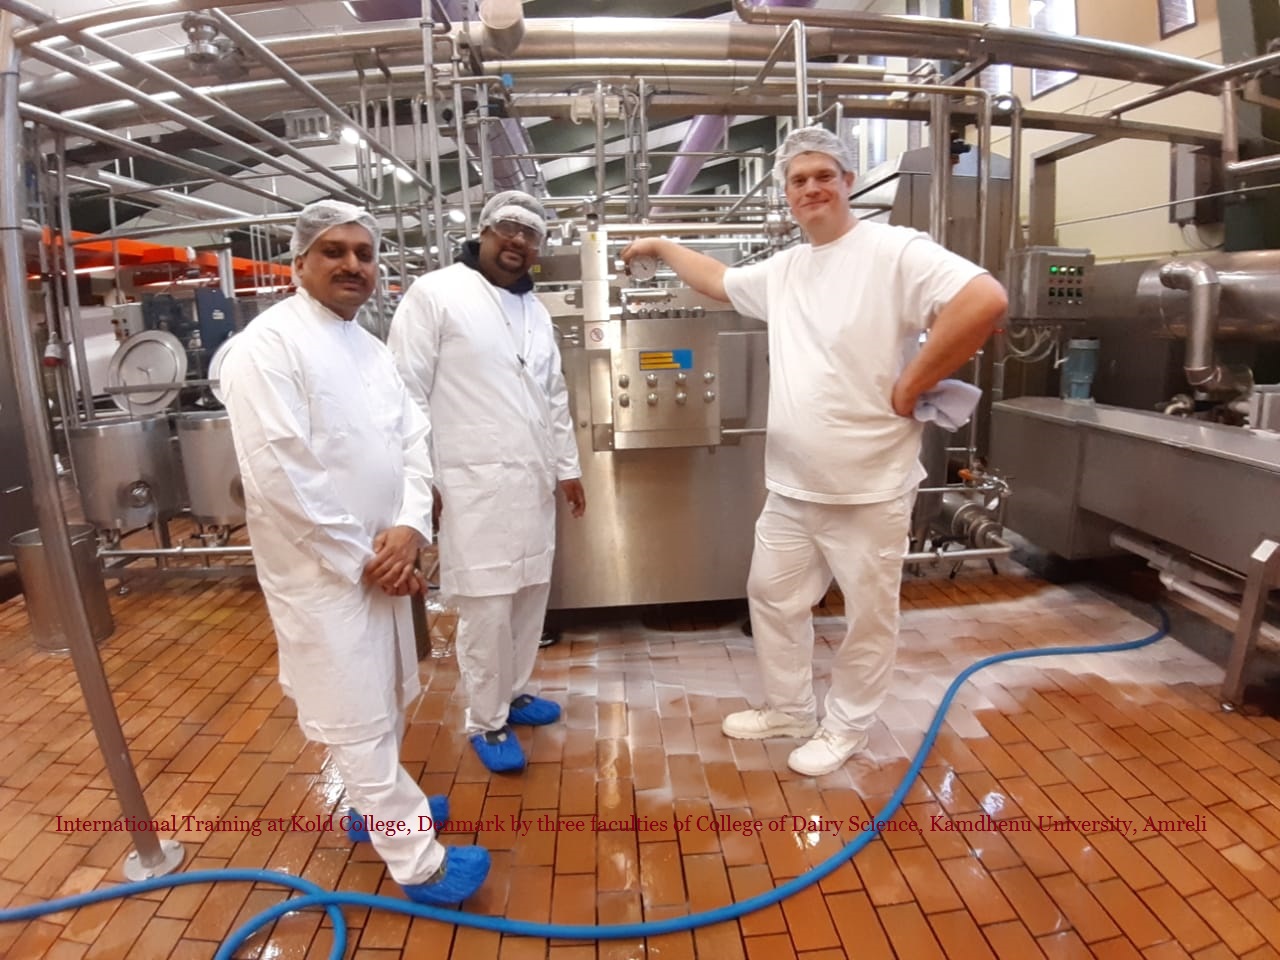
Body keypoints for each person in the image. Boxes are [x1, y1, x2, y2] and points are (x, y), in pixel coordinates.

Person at [621, 127, 1008, 777]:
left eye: (824, 175)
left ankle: (847, 725)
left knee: (868, 618)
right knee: (771, 597)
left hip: (869, 487)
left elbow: (984, 299)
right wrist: (661, 245)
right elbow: (719, 280)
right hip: (792, 486)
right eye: (798, 180)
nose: (811, 188)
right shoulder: (788, 269)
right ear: (787, 192)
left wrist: (911, 382)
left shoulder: (893, 251)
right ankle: (791, 710)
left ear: (848, 180)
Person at [221, 199, 489, 904]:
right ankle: (418, 861)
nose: (352, 265)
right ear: (299, 262)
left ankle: (379, 805)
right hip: (324, 574)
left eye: (364, 254)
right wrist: (366, 557)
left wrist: (409, 527)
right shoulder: (266, 347)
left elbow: (412, 440)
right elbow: (281, 474)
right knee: (355, 714)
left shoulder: (370, 350)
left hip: (385, 560)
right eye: (334, 251)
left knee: (389, 692)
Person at [388, 190, 586, 773]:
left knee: (529, 595)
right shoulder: (436, 294)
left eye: (531, 233)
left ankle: (515, 690)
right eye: (508, 228)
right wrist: (420, 482)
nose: (519, 240)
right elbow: (404, 393)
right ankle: (486, 718)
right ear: (484, 232)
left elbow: (553, 394)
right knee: (487, 608)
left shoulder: (536, 311)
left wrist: (567, 467)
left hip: (531, 480)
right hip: (468, 483)